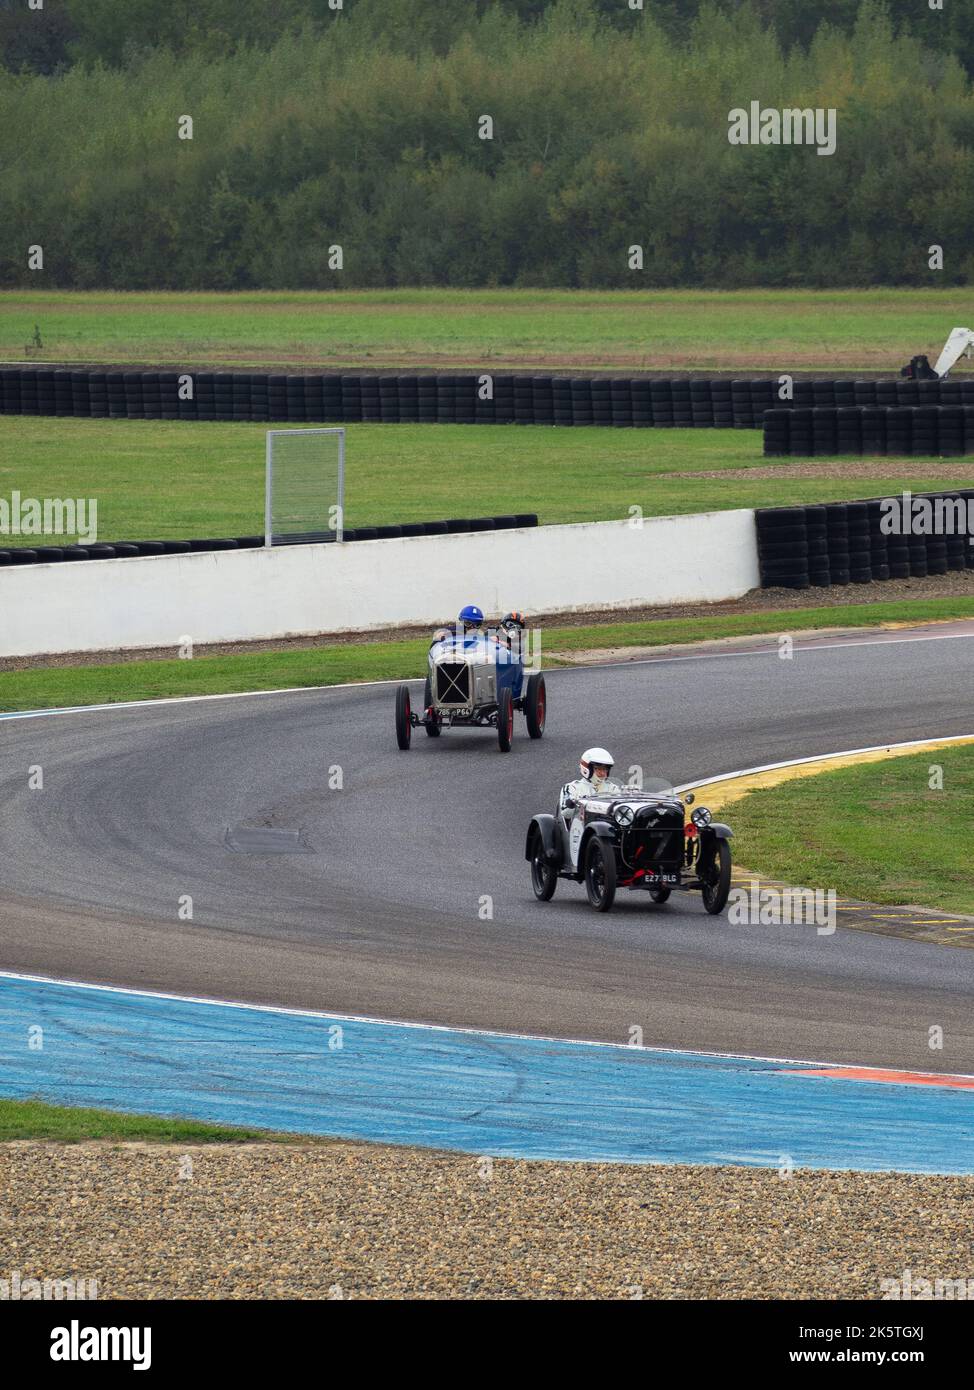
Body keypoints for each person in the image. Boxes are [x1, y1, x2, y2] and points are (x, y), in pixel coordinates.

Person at [558, 747, 620, 823]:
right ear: (586, 769)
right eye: (598, 769)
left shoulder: (613, 788)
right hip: (580, 827)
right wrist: (574, 803)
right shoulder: (572, 787)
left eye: (605, 769)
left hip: (609, 826)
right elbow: (566, 814)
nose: (603, 773)